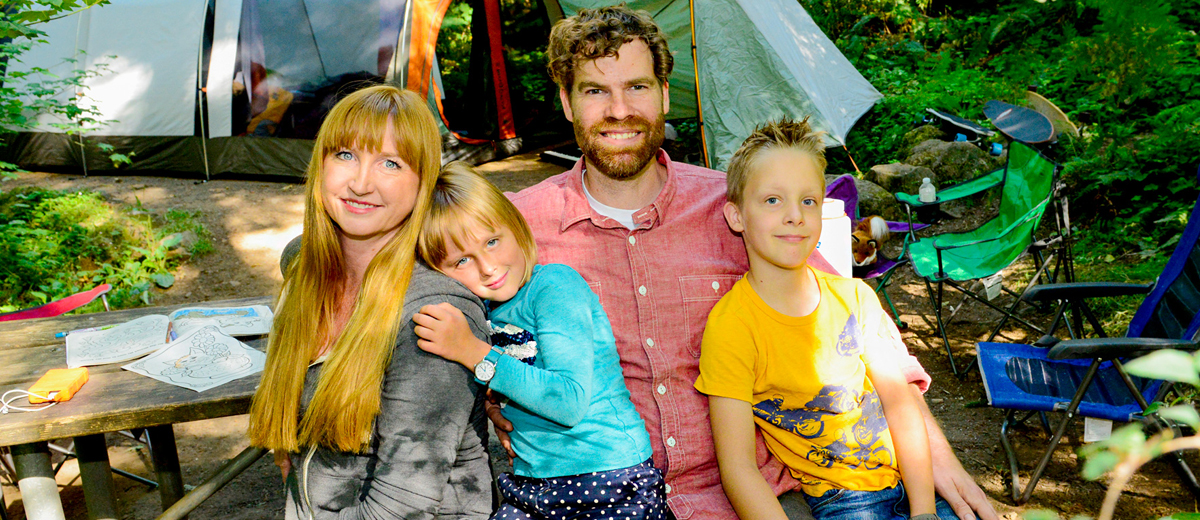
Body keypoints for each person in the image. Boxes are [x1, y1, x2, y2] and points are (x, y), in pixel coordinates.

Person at [505, 5, 998, 520]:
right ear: (567, 102)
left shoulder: (738, 204)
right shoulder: (518, 228)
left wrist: (938, 458)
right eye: (594, 91)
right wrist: (499, 395)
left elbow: (855, 328)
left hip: (761, 496)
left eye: (638, 87)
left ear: (665, 94)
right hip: (601, 500)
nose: (619, 109)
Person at [247, 85, 493, 520]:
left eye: (391, 163)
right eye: (345, 155)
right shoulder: (303, 265)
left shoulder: (432, 315)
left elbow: (402, 505)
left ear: (423, 184)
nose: (361, 183)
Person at [695, 118, 956, 520]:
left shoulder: (856, 297)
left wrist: (924, 512)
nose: (795, 216)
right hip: (846, 502)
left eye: (808, 201)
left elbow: (900, 407)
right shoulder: (732, 326)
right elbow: (738, 468)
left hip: (916, 486)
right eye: (772, 200)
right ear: (736, 216)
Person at [411, 162, 668, 520]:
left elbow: (568, 402)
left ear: (516, 228)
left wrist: (474, 353)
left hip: (609, 477)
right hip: (532, 480)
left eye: (492, 241)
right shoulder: (485, 309)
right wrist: (494, 404)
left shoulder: (554, 287)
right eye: (463, 260)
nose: (487, 267)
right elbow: (514, 376)